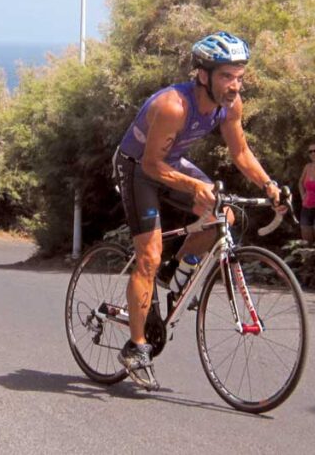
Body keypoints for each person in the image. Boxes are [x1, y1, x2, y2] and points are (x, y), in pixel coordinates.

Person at [113, 31, 282, 388]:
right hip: (138, 168)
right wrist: (194, 186)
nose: (234, 85)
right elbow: (150, 166)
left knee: (224, 216)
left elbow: (240, 153)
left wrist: (268, 185)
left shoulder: (230, 105)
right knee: (149, 255)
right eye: (226, 76)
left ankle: (174, 277)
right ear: (203, 75)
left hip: (169, 162)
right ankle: (136, 346)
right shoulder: (173, 105)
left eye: (239, 76)